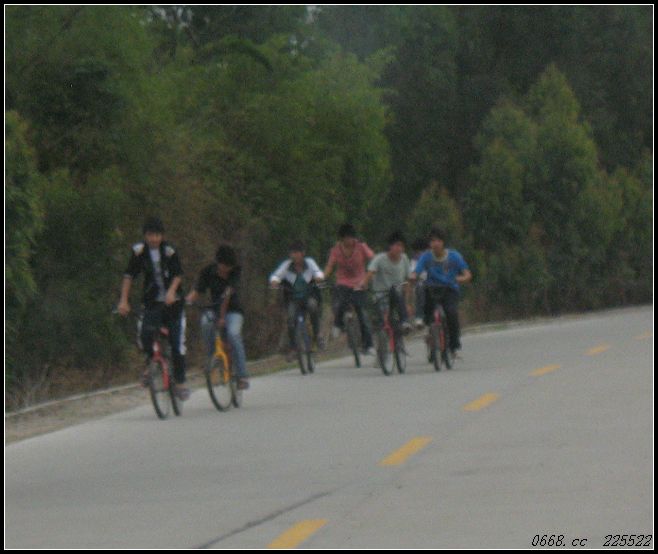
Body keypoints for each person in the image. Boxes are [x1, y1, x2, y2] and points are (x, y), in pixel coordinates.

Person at [117, 217, 189, 399]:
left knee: (177, 344)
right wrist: (123, 300)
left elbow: (178, 275)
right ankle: (151, 365)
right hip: (152, 302)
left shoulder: (170, 251)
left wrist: (171, 292)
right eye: (150, 235)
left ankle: (180, 382)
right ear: (145, 236)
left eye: (157, 235)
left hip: (173, 304)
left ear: (162, 236)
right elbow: (129, 276)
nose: (154, 239)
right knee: (145, 334)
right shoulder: (139, 252)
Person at [185, 245, 250, 390]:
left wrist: (222, 317)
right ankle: (212, 360)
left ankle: (242, 375)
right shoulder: (207, 271)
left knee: (233, 334)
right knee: (205, 324)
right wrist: (187, 301)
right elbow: (197, 291)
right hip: (214, 309)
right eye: (224, 266)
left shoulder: (236, 272)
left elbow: (227, 296)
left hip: (233, 311)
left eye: (229, 266)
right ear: (218, 263)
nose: (226, 269)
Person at [411, 227, 472, 356]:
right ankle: (429, 331)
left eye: (438, 240)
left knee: (451, 313)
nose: (436, 244)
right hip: (431, 288)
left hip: (449, 289)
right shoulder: (426, 257)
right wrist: (413, 276)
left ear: (443, 242)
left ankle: (454, 344)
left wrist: (458, 279)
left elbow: (467, 275)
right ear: (429, 243)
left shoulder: (454, 256)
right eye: (433, 241)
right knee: (428, 311)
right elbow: (417, 271)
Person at [323, 223, 375, 355]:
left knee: (362, 313)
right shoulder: (336, 250)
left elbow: (373, 259)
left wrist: (369, 275)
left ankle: (368, 345)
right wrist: (322, 277)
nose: (349, 240)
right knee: (339, 302)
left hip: (360, 282)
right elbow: (330, 266)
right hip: (343, 281)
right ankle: (338, 324)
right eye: (346, 238)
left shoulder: (361, 246)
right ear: (341, 238)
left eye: (351, 237)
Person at [269, 241, 325, 360]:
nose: (294, 255)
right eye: (292, 253)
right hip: (293, 299)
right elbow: (276, 275)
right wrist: (274, 281)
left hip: (308, 296)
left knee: (313, 306)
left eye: (297, 252)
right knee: (290, 319)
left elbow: (318, 272)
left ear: (303, 253)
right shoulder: (286, 265)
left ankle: (318, 335)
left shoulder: (309, 263)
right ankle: (294, 348)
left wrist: (319, 277)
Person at [360, 231, 413, 332]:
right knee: (380, 319)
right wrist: (364, 284)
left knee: (396, 291)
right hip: (381, 295)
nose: (399, 249)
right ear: (390, 246)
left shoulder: (404, 258)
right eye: (397, 245)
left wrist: (407, 303)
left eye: (401, 246)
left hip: (397, 296)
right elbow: (370, 272)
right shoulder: (380, 258)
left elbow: (407, 282)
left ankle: (404, 322)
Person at [411, 237, 429, 328]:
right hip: (421, 282)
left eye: (422, 251)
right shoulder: (414, 260)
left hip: (435, 281)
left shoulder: (433, 257)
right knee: (420, 288)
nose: (420, 254)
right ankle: (419, 317)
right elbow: (413, 273)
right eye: (417, 252)